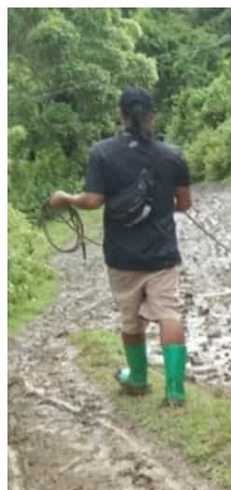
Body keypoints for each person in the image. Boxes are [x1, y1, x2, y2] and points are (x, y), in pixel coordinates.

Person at [49, 87, 192, 407]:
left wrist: (65, 198)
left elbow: (93, 200)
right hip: (163, 253)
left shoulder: (102, 153)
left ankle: (138, 379)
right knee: (169, 313)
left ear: (121, 114)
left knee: (131, 320)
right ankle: (175, 391)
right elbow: (184, 203)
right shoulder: (173, 156)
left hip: (122, 256)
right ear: (152, 117)